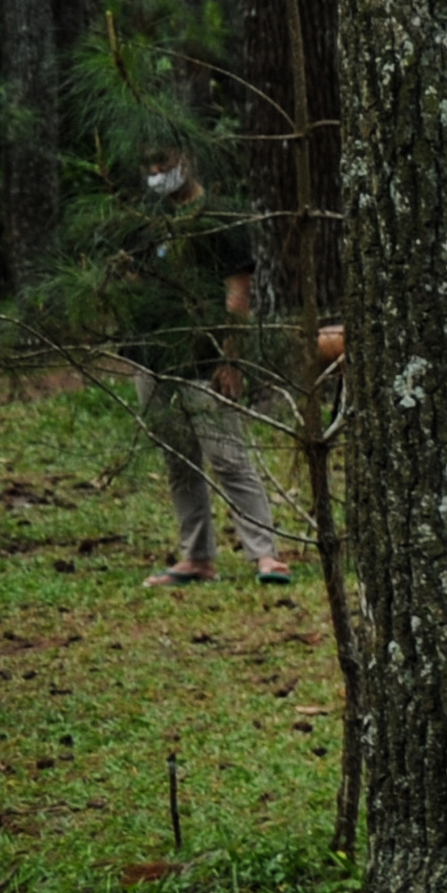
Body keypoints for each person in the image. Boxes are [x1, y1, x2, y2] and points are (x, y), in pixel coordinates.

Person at [126, 149, 293, 590]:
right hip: (153, 356)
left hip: (205, 358)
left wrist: (230, 358)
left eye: (163, 161)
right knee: (179, 459)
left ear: (186, 156)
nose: (157, 173)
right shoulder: (147, 220)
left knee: (228, 457)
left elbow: (237, 292)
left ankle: (266, 554)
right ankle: (197, 556)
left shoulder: (220, 217)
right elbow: (134, 283)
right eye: (150, 166)